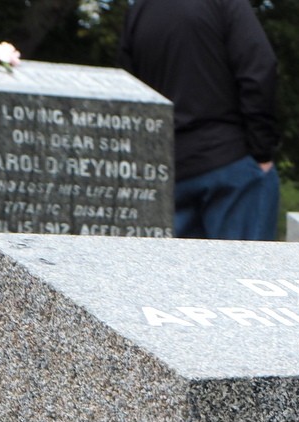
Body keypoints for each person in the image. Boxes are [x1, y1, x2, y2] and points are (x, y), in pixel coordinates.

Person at [119, 0, 281, 241]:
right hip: (231, 166)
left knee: (174, 276)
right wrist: (262, 152)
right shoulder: (225, 4)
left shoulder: (139, 11)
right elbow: (259, 70)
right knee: (246, 274)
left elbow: (129, 95)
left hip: (167, 172)